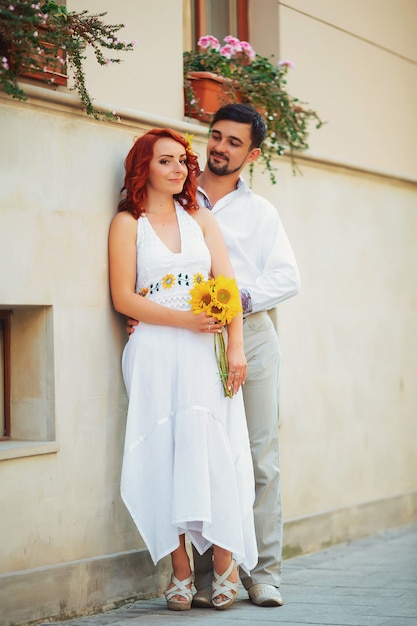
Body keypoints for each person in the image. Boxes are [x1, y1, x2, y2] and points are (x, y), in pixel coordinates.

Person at [127, 104, 300, 608]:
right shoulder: (178, 195)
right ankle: (207, 576)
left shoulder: (261, 212)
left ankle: (263, 572)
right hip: (189, 339)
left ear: (253, 153)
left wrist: (230, 303)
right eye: (216, 136)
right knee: (197, 450)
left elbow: (287, 277)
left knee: (259, 456)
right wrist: (160, 311)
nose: (220, 147)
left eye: (234, 142)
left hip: (249, 332)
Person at [108, 128, 258, 611]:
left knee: (213, 445)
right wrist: (182, 320)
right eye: (166, 161)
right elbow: (123, 298)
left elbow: (228, 285)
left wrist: (235, 346)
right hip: (152, 350)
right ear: (143, 168)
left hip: (204, 353)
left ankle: (224, 563)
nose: (179, 169)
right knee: (163, 453)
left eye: (182, 161)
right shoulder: (127, 224)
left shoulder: (200, 218)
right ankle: (178, 573)